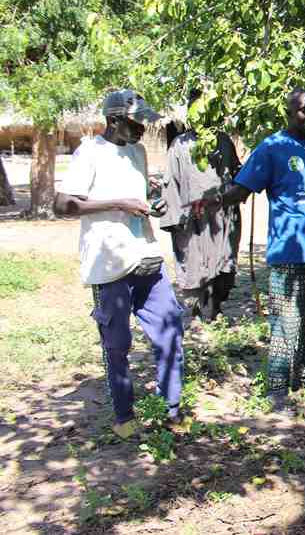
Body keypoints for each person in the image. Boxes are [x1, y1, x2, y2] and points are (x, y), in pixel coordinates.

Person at [194, 88, 305, 407]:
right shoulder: (272, 148)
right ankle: (277, 390)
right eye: (304, 110)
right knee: (286, 323)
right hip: (288, 254)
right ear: (289, 114)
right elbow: (242, 190)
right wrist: (215, 200)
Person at [54, 89, 185, 439]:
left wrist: (152, 201)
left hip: (146, 257)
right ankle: (124, 417)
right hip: (109, 262)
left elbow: (137, 196)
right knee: (117, 345)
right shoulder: (89, 152)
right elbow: (62, 205)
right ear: (113, 121)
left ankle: (172, 410)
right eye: (136, 123)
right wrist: (118, 204)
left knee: (171, 331)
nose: (143, 129)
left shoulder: (137, 151)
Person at [160, 89, 242, 322]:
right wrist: (175, 219)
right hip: (192, 217)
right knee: (195, 262)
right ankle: (197, 309)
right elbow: (171, 183)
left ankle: (216, 307)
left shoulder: (223, 142)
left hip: (222, 215)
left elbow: (236, 173)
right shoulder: (180, 144)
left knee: (223, 261)